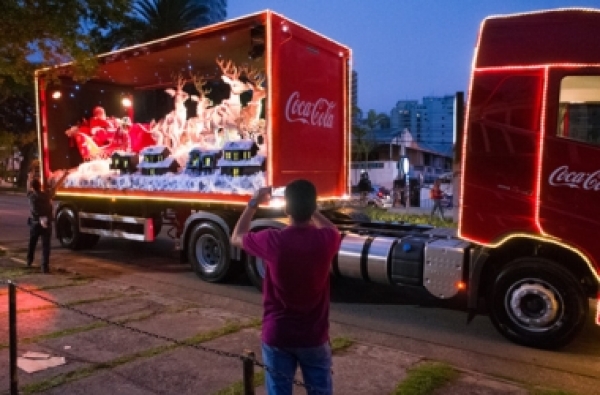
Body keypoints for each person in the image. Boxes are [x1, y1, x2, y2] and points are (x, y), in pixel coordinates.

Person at [231, 180, 342, 395]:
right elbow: (331, 228)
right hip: (314, 336)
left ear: (286, 208)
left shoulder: (273, 240)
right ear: (313, 207)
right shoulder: (327, 239)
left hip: (278, 335)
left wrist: (253, 203)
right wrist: (311, 209)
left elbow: (236, 237)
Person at [26, 171, 69, 273]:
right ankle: (44, 267)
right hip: (47, 223)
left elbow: (28, 187)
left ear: (33, 187)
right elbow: (56, 186)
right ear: (40, 186)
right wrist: (64, 176)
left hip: (35, 223)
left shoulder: (31, 196)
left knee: (32, 243)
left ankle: (29, 261)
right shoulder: (46, 195)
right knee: (46, 246)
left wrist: (29, 177)